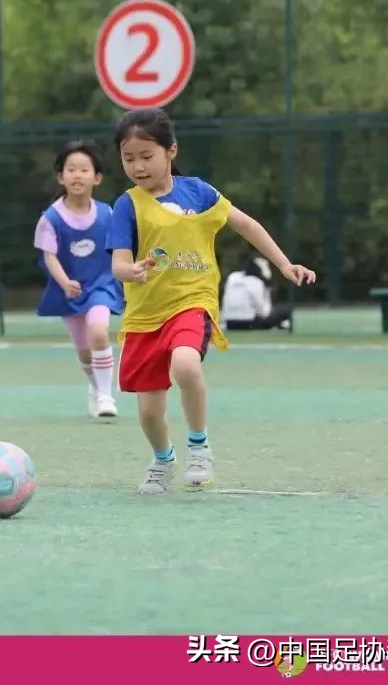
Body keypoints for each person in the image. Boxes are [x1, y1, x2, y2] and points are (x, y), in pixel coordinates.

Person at [106, 108, 316, 495]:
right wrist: (130, 271)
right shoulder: (126, 205)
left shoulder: (199, 192)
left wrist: (285, 265)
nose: (137, 166)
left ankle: (199, 446)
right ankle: (163, 459)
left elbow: (246, 225)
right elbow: (118, 263)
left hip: (192, 301)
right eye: (128, 158)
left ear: (171, 151)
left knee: (185, 365)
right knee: (150, 411)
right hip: (144, 316)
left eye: (146, 156)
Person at [33, 140, 123, 418]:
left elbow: (120, 248)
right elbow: (50, 256)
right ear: (61, 177)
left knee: (98, 332)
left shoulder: (108, 214)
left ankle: (107, 396)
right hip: (69, 290)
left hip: (101, 285)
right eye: (71, 169)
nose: (77, 174)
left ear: (96, 177)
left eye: (84, 169)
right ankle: (95, 388)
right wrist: (64, 283)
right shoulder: (51, 218)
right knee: (84, 352)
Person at [222, 253, 293, 330]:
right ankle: (281, 324)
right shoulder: (256, 282)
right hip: (248, 323)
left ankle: (280, 324)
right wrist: (267, 284)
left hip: (229, 323)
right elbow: (264, 312)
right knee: (284, 311)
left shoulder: (233, 276)